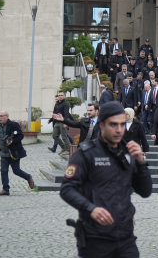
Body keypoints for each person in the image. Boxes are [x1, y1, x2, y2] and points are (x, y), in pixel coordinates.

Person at [59, 101, 152, 258]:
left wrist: (141, 162)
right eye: (113, 125)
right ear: (101, 125)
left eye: (122, 125)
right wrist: (91, 208)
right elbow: (67, 188)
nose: (119, 130)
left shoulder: (128, 152)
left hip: (125, 238)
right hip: (95, 240)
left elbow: (145, 191)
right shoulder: (86, 153)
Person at [0, 110, 34, 196]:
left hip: (13, 152)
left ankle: (28, 177)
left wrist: (12, 141)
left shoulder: (13, 125)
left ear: (7, 117)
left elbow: (21, 136)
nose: (0, 118)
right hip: (3, 152)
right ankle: (6, 189)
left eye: (1, 116)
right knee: (3, 171)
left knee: (16, 171)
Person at [51, 91, 70, 155]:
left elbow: (67, 114)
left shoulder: (65, 104)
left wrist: (66, 123)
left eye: (61, 95)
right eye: (59, 95)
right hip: (57, 122)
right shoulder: (57, 104)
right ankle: (63, 147)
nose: (60, 96)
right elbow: (54, 112)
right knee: (54, 135)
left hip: (63, 122)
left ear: (64, 96)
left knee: (64, 136)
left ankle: (68, 149)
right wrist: (52, 118)